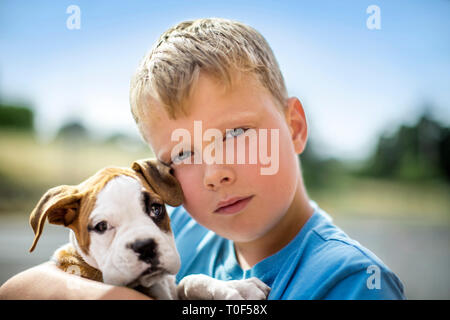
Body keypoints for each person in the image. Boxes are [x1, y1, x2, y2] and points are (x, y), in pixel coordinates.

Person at [0, 18, 404, 300]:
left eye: (237, 133)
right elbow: (17, 290)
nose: (216, 173)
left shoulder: (348, 282)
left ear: (294, 126)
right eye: (183, 153)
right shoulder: (180, 231)